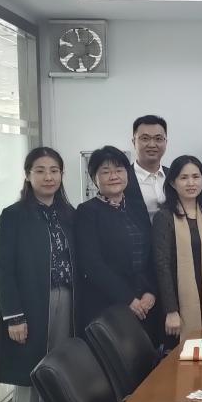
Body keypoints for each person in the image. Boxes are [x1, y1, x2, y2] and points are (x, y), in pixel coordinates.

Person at [0, 146, 74, 402]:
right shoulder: (13, 216)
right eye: (40, 170)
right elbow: (3, 269)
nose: (48, 176)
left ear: (62, 175)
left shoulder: (68, 214)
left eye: (54, 170)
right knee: (29, 383)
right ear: (28, 175)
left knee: (56, 378)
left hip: (66, 303)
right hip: (30, 307)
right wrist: (13, 316)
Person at [75, 145, 161, 344]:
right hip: (108, 304)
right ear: (94, 178)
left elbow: (151, 253)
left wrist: (151, 291)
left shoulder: (137, 207)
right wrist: (128, 299)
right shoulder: (87, 212)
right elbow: (92, 264)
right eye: (105, 172)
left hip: (145, 302)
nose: (114, 176)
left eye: (119, 170)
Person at [152, 155, 202, 339]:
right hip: (179, 304)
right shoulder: (164, 217)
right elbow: (162, 265)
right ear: (172, 183)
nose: (191, 183)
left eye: (196, 176)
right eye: (184, 177)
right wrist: (171, 310)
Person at [128, 115, 169, 222]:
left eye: (158, 139)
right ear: (134, 142)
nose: (152, 144)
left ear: (166, 142)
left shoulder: (174, 175)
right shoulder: (123, 178)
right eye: (145, 138)